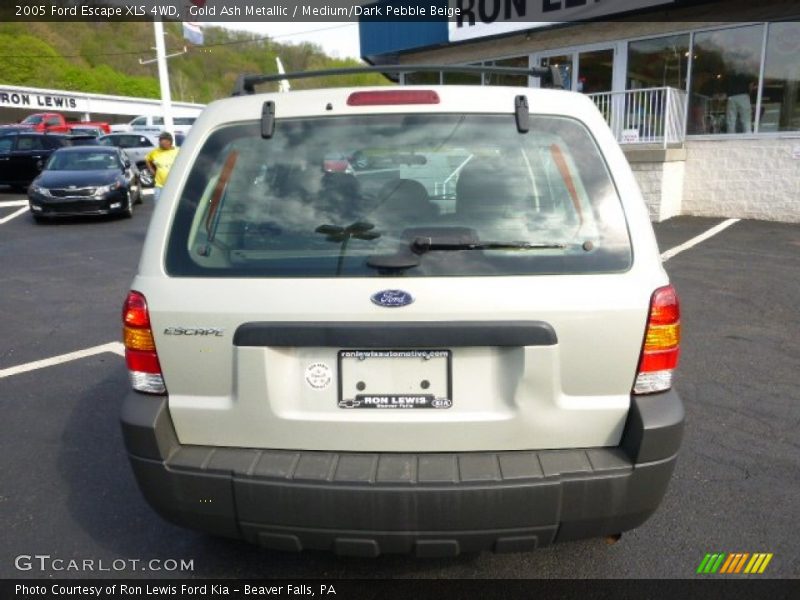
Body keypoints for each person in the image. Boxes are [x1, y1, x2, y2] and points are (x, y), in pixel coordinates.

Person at [146, 131, 179, 202]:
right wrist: (151, 169)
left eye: (162, 142)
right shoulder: (155, 152)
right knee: (158, 207)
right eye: (160, 142)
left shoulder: (178, 151)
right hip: (160, 185)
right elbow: (147, 159)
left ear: (169, 142)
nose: (160, 144)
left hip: (174, 186)